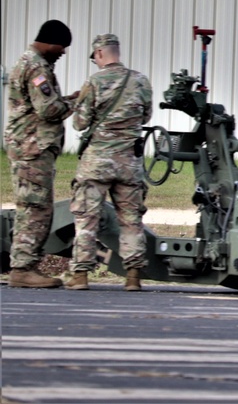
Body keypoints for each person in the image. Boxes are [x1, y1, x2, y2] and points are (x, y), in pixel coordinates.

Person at [66, 34, 152, 291]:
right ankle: (133, 276)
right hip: (128, 163)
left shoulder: (93, 82)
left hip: (97, 163)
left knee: (86, 218)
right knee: (131, 220)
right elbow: (145, 116)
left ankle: (81, 276)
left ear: (100, 54)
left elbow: (79, 123)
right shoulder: (140, 81)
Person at [4, 20, 79, 288]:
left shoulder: (32, 63)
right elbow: (48, 111)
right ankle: (23, 269)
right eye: (62, 47)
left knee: (33, 206)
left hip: (29, 147)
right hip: (32, 149)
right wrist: (76, 101)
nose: (63, 52)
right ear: (50, 42)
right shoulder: (36, 67)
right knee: (35, 209)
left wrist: (67, 99)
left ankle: (24, 267)